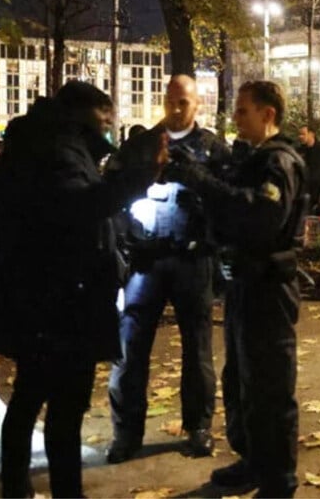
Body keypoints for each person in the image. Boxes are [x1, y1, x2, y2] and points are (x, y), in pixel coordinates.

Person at [0, 81, 164, 498]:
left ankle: (17, 487)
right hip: (59, 302)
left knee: (28, 398)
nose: (108, 132)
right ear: (82, 116)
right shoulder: (56, 151)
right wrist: (139, 177)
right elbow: (81, 207)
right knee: (61, 408)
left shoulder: (39, 142)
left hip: (42, 297)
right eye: (103, 122)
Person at [164, 80, 307, 497]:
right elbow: (232, 206)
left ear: (268, 114)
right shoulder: (255, 158)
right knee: (241, 378)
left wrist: (203, 185)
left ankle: (279, 479)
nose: (236, 118)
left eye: (243, 111)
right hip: (245, 281)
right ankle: (254, 461)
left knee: (270, 383)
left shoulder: (279, 162)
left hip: (269, 285)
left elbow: (261, 217)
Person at [106, 74, 230, 463]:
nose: (177, 110)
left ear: (198, 105)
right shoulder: (141, 144)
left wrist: (200, 186)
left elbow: (228, 201)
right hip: (145, 260)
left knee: (198, 349)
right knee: (129, 349)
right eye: (172, 101)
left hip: (193, 259)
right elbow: (111, 193)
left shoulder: (213, 148)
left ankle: (198, 427)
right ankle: (126, 434)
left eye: (185, 103)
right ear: (164, 101)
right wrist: (126, 239)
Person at [297, 124, 320, 210]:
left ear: (311, 134)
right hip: (304, 189)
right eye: (299, 134)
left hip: (319, 189)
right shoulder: (300, 150)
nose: (300, 137)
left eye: (303, 134)